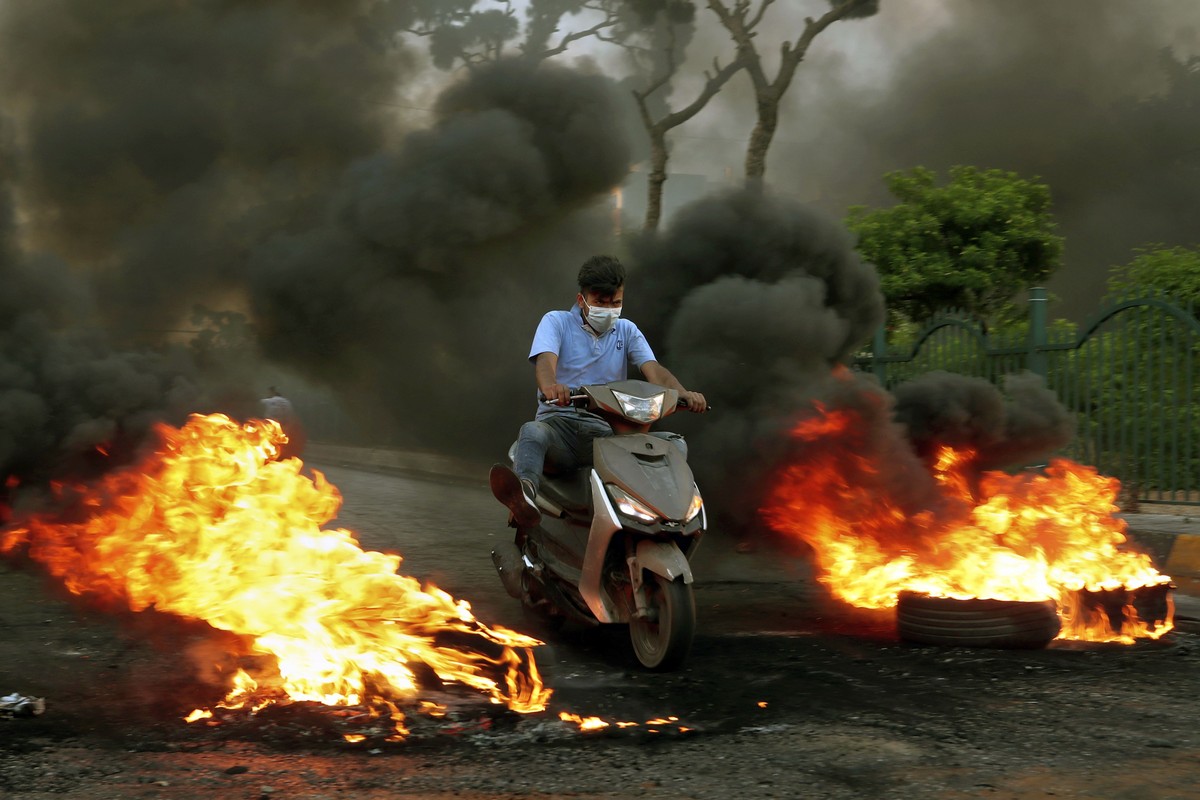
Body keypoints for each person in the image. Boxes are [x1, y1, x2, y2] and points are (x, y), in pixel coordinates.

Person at [490, 255, 706, 527]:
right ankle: (524, 497)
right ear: (582, 301)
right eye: (600, 303)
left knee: (674, 444)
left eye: (615, 303)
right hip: (561, 430)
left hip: (609, 435)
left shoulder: (627, 331)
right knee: (532, 433)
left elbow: (654, 370)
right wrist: (551, 387)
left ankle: (670, 512)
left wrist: (683, 393)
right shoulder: (556, 322)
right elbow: (545, 363)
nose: (609, 309)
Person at [260, 386, 306, 460]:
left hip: (269, 431)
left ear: (272, 394)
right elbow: (291, 418)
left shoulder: (267, 401)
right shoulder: (287, 402)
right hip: (285, 431)